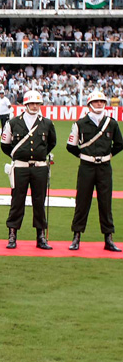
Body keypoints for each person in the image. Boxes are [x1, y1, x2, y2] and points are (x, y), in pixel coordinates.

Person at [0, 90, 57, 249]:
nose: (34, 106)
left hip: (39, 168)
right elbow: (5, 145)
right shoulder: (13, 123)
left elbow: (52, 142)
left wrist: (40, 155)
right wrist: (18, 155)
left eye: (37, 104)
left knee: (39, 202)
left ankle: (41, 237)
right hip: (20, 168)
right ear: (25, 104)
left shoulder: (47, 123)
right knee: (17, 202)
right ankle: (12, 235)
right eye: (31, 103)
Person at [67, 90, 123, 252]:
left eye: (102, 101)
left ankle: (108, 238)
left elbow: (119, 144)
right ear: (90, 104)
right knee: (82, 201)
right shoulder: (80, 124)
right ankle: (76, 237)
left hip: (104, 167)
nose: (99, 104)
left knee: (105, 203)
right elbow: (71, 146)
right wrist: (83, 156)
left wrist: (108, 155)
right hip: (86, 167)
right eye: (96, 101)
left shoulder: (111, 123)